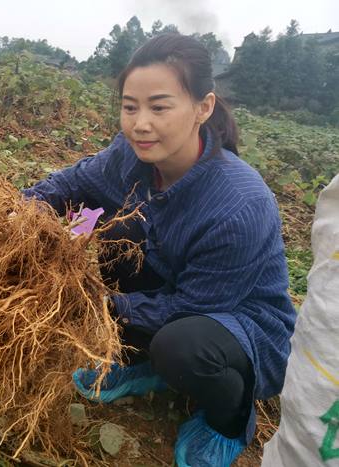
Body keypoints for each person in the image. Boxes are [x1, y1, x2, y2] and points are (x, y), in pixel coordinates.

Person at [22, 33, 296, 466]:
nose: (140, 123)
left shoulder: (239, 204)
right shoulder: (129, 156)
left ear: (202, 108)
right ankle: (137, 360)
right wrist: (14, 215)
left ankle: (227, 418)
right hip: (172, 283)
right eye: (130, 107)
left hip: (235, 320)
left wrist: (95, 303)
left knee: (179, 347)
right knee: (117, 224)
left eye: (159, 107)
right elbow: (72, 184)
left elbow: (193, 307)